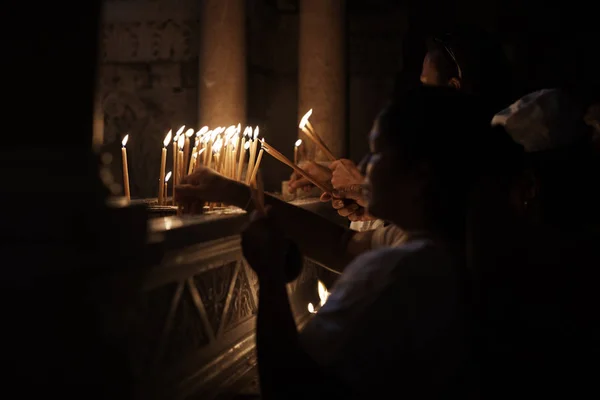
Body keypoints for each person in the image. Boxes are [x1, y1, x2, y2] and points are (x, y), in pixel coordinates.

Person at [240, 86, 519, 399]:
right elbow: (343, 243)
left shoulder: (397, 270)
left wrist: (270, 275)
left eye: (376, 153)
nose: (363, 165)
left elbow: (288, 387)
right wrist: (239, 195)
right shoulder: (443, 244)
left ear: (419, 177)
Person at [290, 25, 515, 240]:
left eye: (426, 85)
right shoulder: (451, 151)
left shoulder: (481, 161)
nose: (419, 98)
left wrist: (371, 192)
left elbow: (440, 235)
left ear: (453, 88)